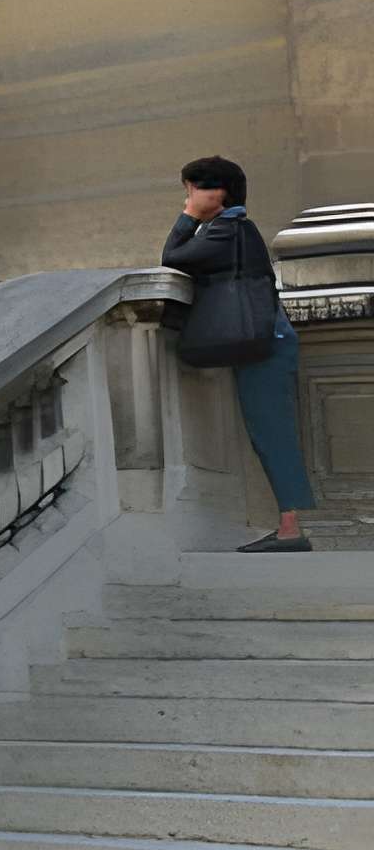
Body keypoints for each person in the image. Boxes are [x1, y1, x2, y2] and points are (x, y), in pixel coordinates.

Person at [164, 156, 312, 553]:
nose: (188, 197)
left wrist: (187, 217)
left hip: (266, 344)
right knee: (269, 432)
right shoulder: (228, 229)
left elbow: (173, 257)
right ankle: (288, 526)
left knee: (272, 433)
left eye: (192, 189)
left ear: (217, 192)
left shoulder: (227, 229)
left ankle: (291, 529)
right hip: (266, 341)